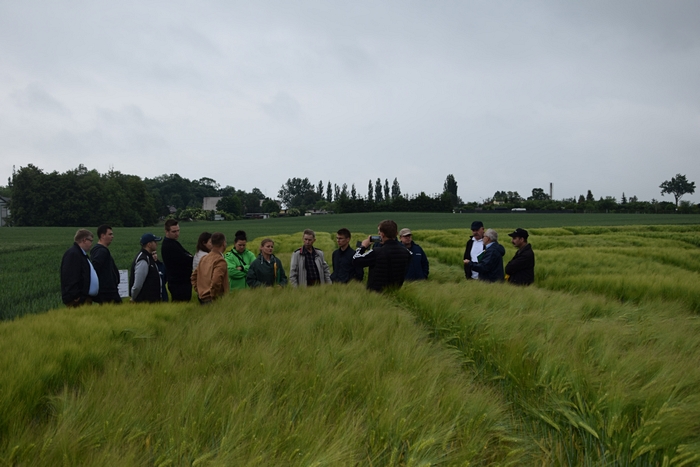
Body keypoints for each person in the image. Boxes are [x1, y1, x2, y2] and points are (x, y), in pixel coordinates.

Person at [353, 219, 411, 292]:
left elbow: (356, 260)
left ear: (382, 234)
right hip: (395, 292)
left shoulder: (376, 252)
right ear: (396, 233)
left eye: (379, 232)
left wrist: (363, 246)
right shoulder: (406, 252)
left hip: (376, 294)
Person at [60, 229, 99, 307]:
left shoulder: (80, 254)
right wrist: (75, 296)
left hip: (84, 298)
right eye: (91, 241)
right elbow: (70, 276)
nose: (91, 244)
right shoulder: (74, 254)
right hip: (78, 300)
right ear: (84, 240)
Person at [191, 232, 230, 304]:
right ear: (223, 243)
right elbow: (216, 281)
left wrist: (200, 291)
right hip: (215, 300)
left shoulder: (204, 258)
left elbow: (193, 276)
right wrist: (213, 296)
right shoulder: (220, 260)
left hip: (202, 298)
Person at [161, 219, 194, 302]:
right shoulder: (169, 245)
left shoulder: (174, 243)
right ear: (166, 232)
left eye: (178, 231)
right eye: (174, 231)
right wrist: (189, 258)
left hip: (181, 282)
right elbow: (186, 259)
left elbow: (188, 256)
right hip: (178, 283)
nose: (177, 234)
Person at [90, 224, 122, 304]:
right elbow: (95, 268)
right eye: (110, 234)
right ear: (103, 236)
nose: (112, 236)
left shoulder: (100, 250)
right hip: (107, 292)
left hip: (107, 291)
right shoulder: (101, 251)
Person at [129, 233, 163, 303]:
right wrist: (134, 297)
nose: (157, 244)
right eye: (155, 242)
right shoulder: (143, 260)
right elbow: (137, 285)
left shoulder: (149, 257)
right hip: (145, 302)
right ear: (149, 244)